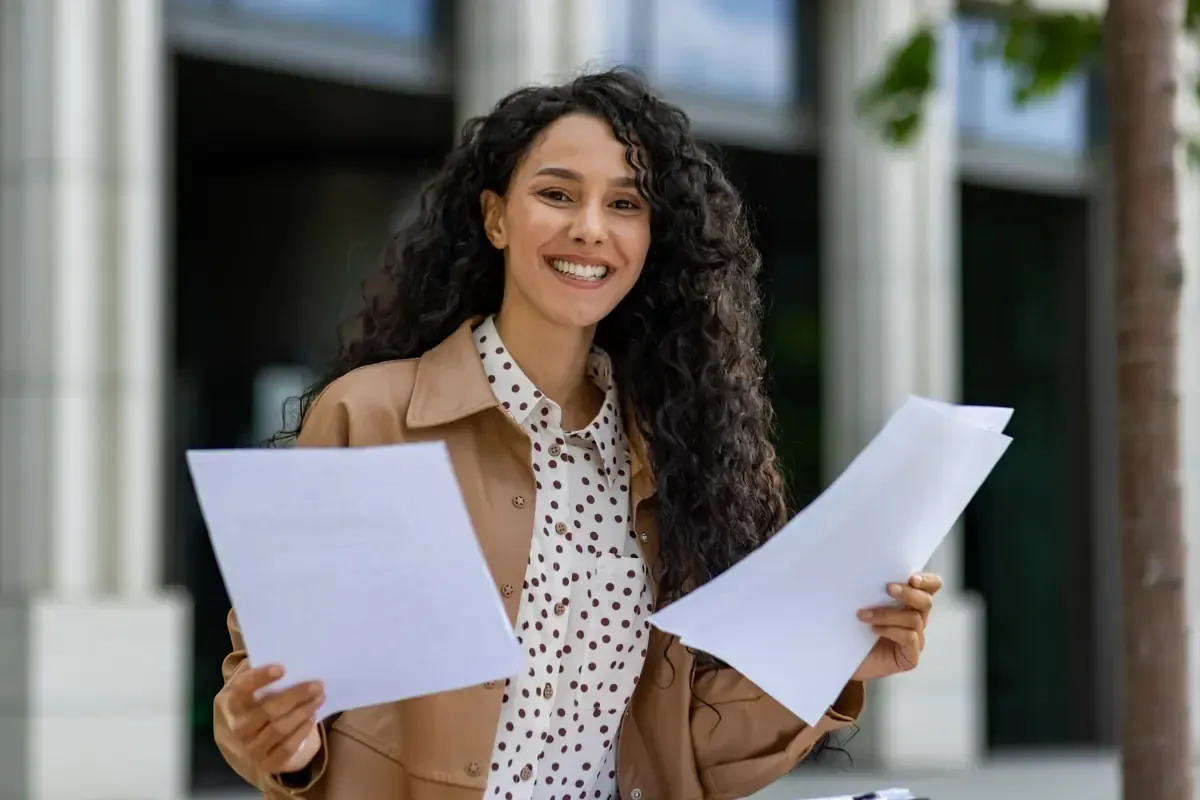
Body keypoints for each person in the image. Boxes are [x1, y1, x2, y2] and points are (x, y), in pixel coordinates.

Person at [212, 68, 943, 800]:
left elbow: (686, 753)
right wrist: (284, 740)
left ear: (651, 238)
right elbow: (267, 681)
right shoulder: (372, 416)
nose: (590, 227)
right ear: (496, 218)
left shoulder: (676, 454)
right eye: (557, 194)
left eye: (624, 204)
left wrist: (835, 660)